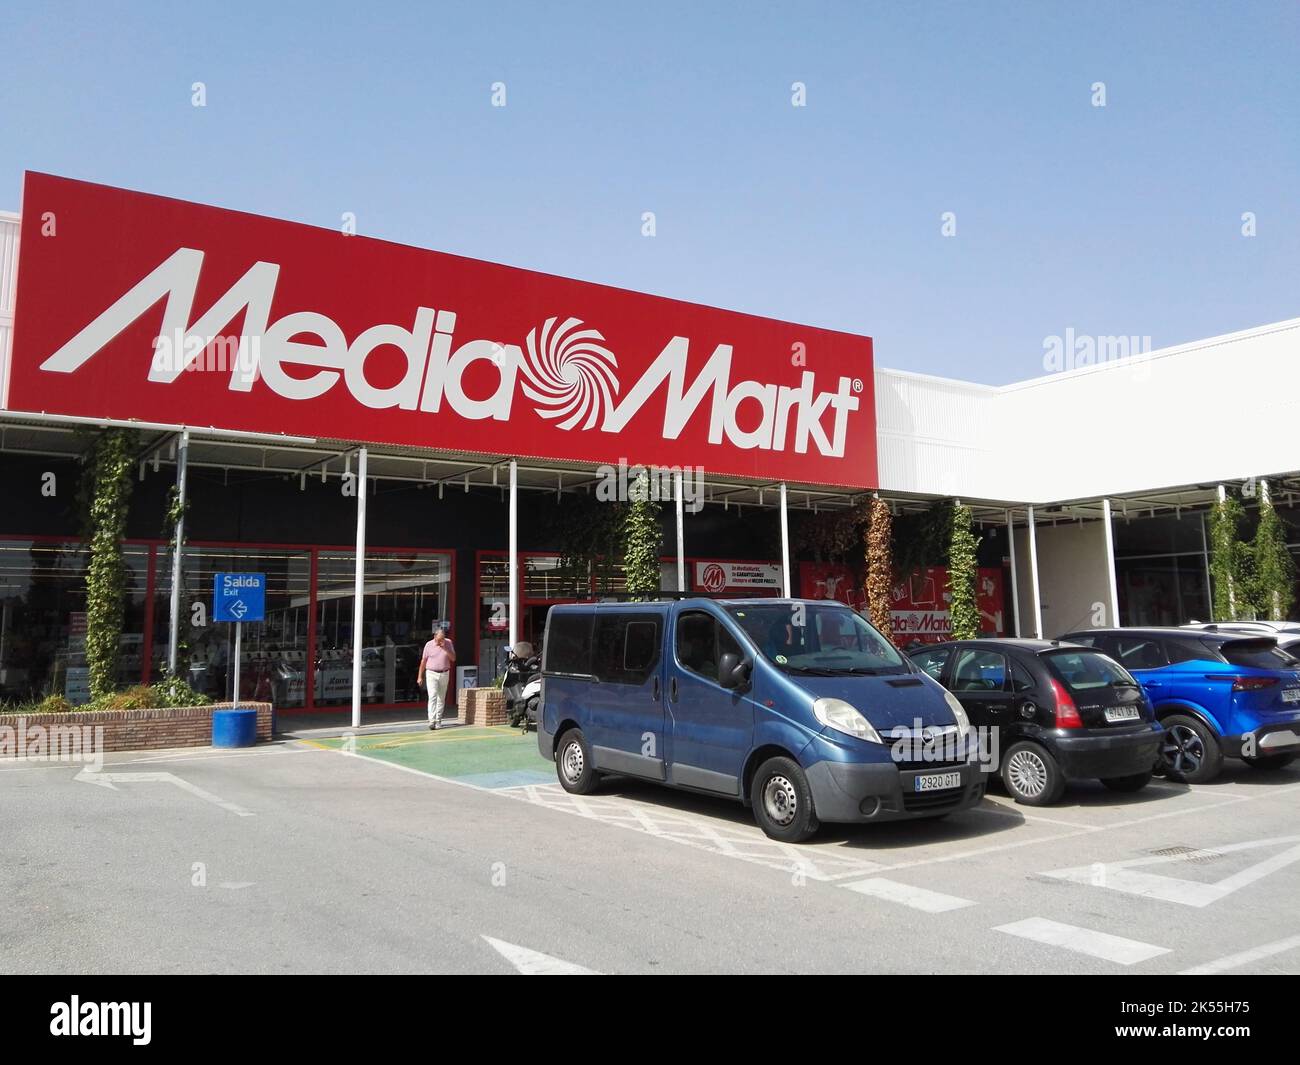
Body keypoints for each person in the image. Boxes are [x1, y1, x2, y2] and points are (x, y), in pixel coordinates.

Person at [416, 625, 456, 730]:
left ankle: (438, 720)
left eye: (442, 639)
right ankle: (431, 720)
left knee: (441, 698)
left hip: (444, 673)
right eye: (438, 640)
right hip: (431, 673)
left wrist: (445, 648)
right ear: (434, 637)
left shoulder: (448, 643)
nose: (440, 642)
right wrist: (420, 676)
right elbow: (423, 661)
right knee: (432, 696)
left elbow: (453, 658)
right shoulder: (428, 645)